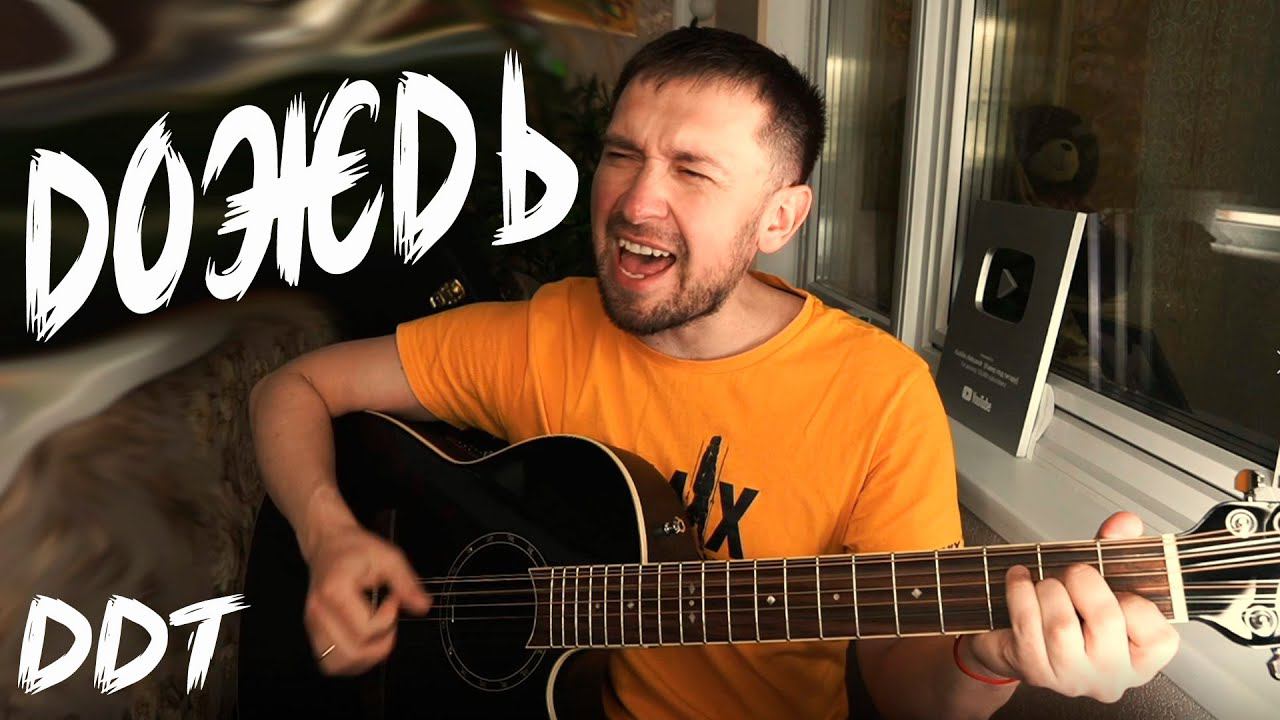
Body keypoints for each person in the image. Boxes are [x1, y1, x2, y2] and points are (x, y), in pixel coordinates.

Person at [249, 27, 1179, 719]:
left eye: (692, 172)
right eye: (622, 154)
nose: (634, 201)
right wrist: (329, 536)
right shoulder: (551, 331)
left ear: (780, 219)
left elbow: (909, 692)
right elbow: (292, 389)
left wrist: (989, 656)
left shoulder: (877, 393)